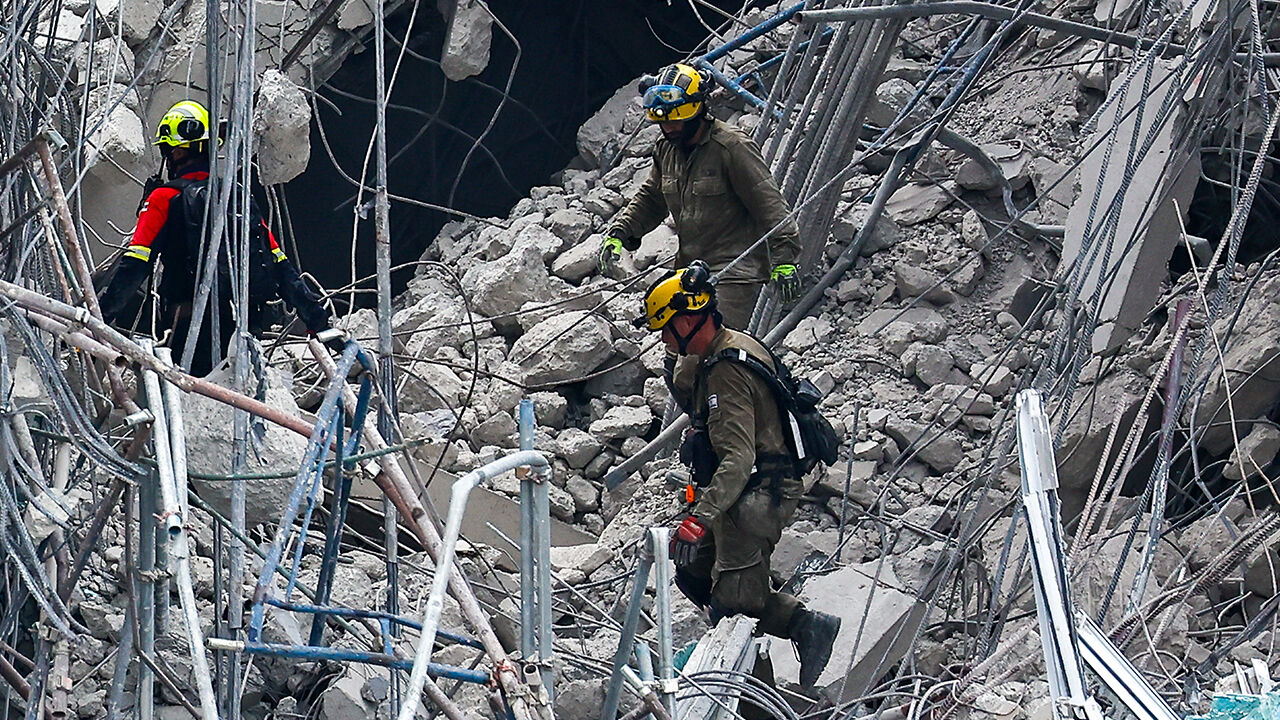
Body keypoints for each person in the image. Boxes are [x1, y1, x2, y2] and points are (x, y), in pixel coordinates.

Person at [634, 263, 840, 689]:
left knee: (734, 609)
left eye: (668, 330)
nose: (664, 341)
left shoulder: (726, 371)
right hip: (740, 491)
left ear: (689, 321)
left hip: (757, 495)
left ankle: (758, 698)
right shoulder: (725, 350)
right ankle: (800, 622)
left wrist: (698, 517)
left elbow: (738, 459)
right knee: (695, 572)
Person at [99, 100, 336, 376]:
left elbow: (133, 268)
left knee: (191, 406)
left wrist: (100, 318)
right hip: (245, 329)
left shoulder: (164, 199)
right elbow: (281, 267)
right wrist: (320, 323)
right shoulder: (237, 198)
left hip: (187, 328)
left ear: (174, 150)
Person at [600, 62, 804, 331]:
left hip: (735, 273)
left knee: (713, 344)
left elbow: (768, 202)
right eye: (663, 121)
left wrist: (785, 259)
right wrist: (620, 233)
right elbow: (652, 197)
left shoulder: (731, 147)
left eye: (675, 120)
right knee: (677, 346)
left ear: (696, 112)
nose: (669, 127)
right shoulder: (667, 150)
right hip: (688, 271)